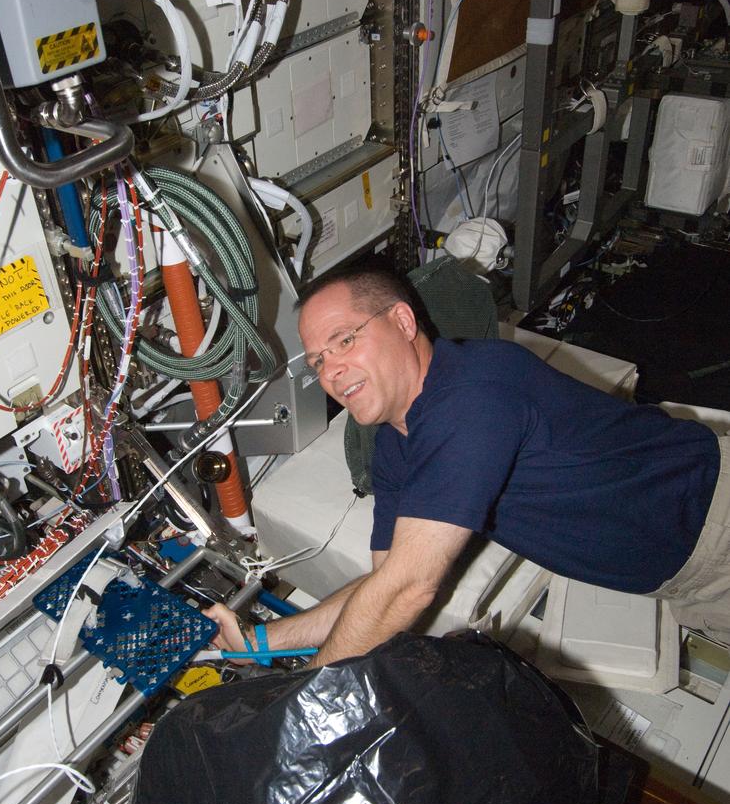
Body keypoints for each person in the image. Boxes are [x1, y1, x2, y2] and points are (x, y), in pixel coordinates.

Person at [209, 265, 730, 664]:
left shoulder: (471, 396)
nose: (331, 371)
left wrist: (300, 704)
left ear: (403, 321)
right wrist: (262, 640)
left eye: (345, 340)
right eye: (318, 361)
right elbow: (385, 581)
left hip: (716, 531)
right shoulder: (393, 443)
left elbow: (408, 590)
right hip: (681, 573)